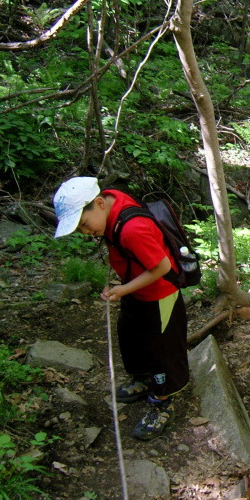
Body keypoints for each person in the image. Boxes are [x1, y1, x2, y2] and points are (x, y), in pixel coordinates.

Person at [53, 177, 189, 440]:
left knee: (162, 348)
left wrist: (123, 289)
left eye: (84, 224)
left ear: (100, 203)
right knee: (130, 333)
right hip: (136, 286)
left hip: (159, 293)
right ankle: (142, 379)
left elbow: (161, 267)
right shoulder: (110, 199)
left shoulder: (133, 229)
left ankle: (162, 401)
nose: (85, 232)